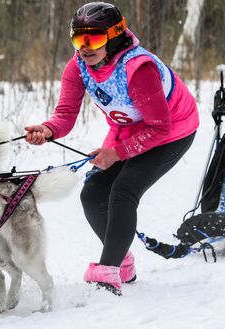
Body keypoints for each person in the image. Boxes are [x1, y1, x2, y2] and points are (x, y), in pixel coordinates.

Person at [25, 2, 199, 295]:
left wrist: (116, 153)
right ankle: (121, 261)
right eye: (79, 38)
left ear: (114, 36)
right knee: (92, 194)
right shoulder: (78, 66)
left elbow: (159, 128)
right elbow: (65, 114)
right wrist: (48, 129)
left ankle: (106, 274)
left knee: (123, 191)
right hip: (129, 130)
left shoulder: (138, 68)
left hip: (171, 132)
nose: (85, 47)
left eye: (93, 38)